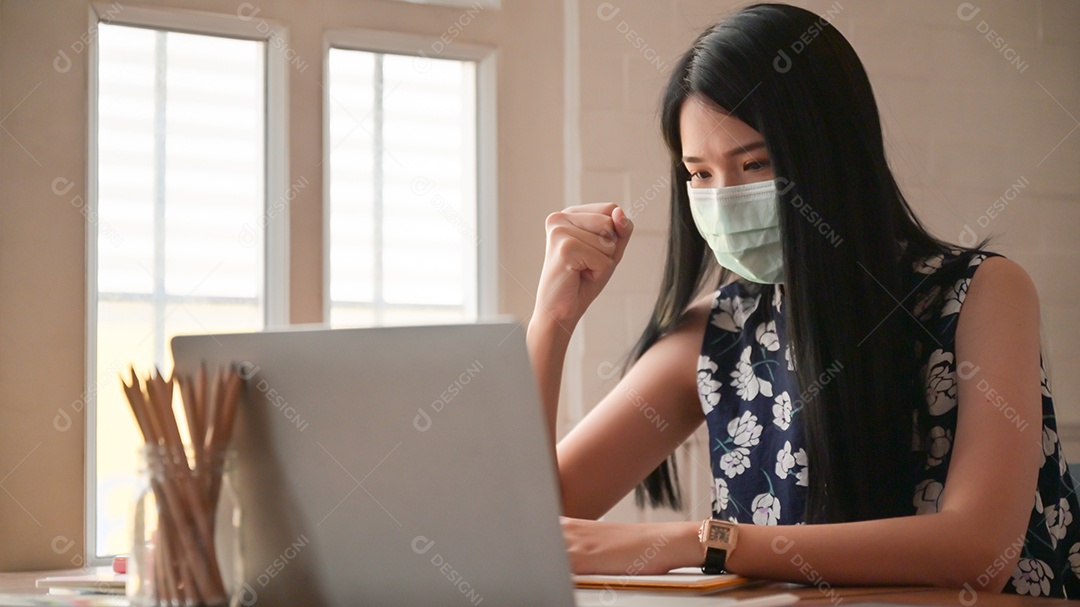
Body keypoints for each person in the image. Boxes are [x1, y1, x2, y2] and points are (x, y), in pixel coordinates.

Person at [526, 2, 1079, 598]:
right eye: (700, 174)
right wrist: (551, 322)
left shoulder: (980, 293)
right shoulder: (718, 330)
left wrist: (702, 542)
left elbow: (978, 551)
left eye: (755, 162)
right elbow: (531, 520)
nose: (725, 197)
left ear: (832, 155)